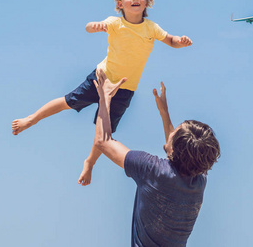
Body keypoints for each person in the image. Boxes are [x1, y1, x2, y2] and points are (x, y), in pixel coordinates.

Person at [11, 0, 193, 186]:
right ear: (119, 4)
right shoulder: (115, 23)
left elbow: (170, 40)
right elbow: (89, 27)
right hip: (102, 79)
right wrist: (95, 26)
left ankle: (89, 163)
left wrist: (180, 41)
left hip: (124, 89)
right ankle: (32, 119)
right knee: (67, 102)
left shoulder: (151, 28)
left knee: (105, 133)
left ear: (147, 2)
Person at [92, 69, 220, 247]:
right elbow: (180, 155)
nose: (172, 131)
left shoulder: (151, 169)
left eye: (175, 131)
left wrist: (104, 99)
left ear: (174, 147)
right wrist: (164, 112)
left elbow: (103, 141)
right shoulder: (198, 182)